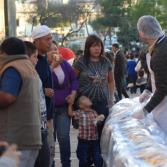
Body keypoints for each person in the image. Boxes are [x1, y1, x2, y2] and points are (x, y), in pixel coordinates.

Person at [0, 37, 41, 167]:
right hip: (30, 137)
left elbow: (7, 97)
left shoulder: (13, 68)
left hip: (15, 139)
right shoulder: (29, 67)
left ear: (3, 52)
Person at [73, 34, 115, 137]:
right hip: (85, 104)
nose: (97, 49)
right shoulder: (81, 61)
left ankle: (98, 153)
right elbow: (73, 80)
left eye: (99, 46)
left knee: (101, 132)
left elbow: (111, 81)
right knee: (87, 134)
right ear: (88, 47)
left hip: (102, 102)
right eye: (94, 46)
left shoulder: (106, 61)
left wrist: (111, 97)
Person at [134, 15, 167, 134]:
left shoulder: (160, 53)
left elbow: (163, 88)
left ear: (143, 33)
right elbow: (156, 74)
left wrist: (145, 110)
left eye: (139, 31)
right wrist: (148, 89)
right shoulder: (159, 45)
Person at [24, 41, 50, 167]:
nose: (37, 60)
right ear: (26, 57)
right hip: (33, 129)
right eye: (34, 56)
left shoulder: (34, 73)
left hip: (41, 126)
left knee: (45, 160)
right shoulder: (25, 75)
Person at [32, 25, 54, 166]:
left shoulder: (45, 59)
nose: (50, 42)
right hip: (37, 120)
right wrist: (42, 91)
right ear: (36, 41)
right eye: (47, 39)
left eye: (51, 39)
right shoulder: (32, 62)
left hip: (48, 115)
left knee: (50, 154)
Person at [51, 51, 78, 167]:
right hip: (48, 109)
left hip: (63, 107)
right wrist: (52, 66)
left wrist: (73, 94)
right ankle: (49, 163)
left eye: (55, 50)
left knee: (63, 138)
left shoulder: (64, 64)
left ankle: (66, 164)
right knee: (49, 141)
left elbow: (74, 79)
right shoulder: (41, 65)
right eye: (51, 50)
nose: (54, 53)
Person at [68, 96, 104, 167]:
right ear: (80, 105)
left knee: (97, 158)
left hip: (94, 140)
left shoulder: (94, 112)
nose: (88, 99)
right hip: (83, 141)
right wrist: (70, 105)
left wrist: (100, 119)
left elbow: (97, 121)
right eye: (84, 99)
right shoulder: (79, 112)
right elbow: (70, 114)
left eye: (88, 98)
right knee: (83, 159)